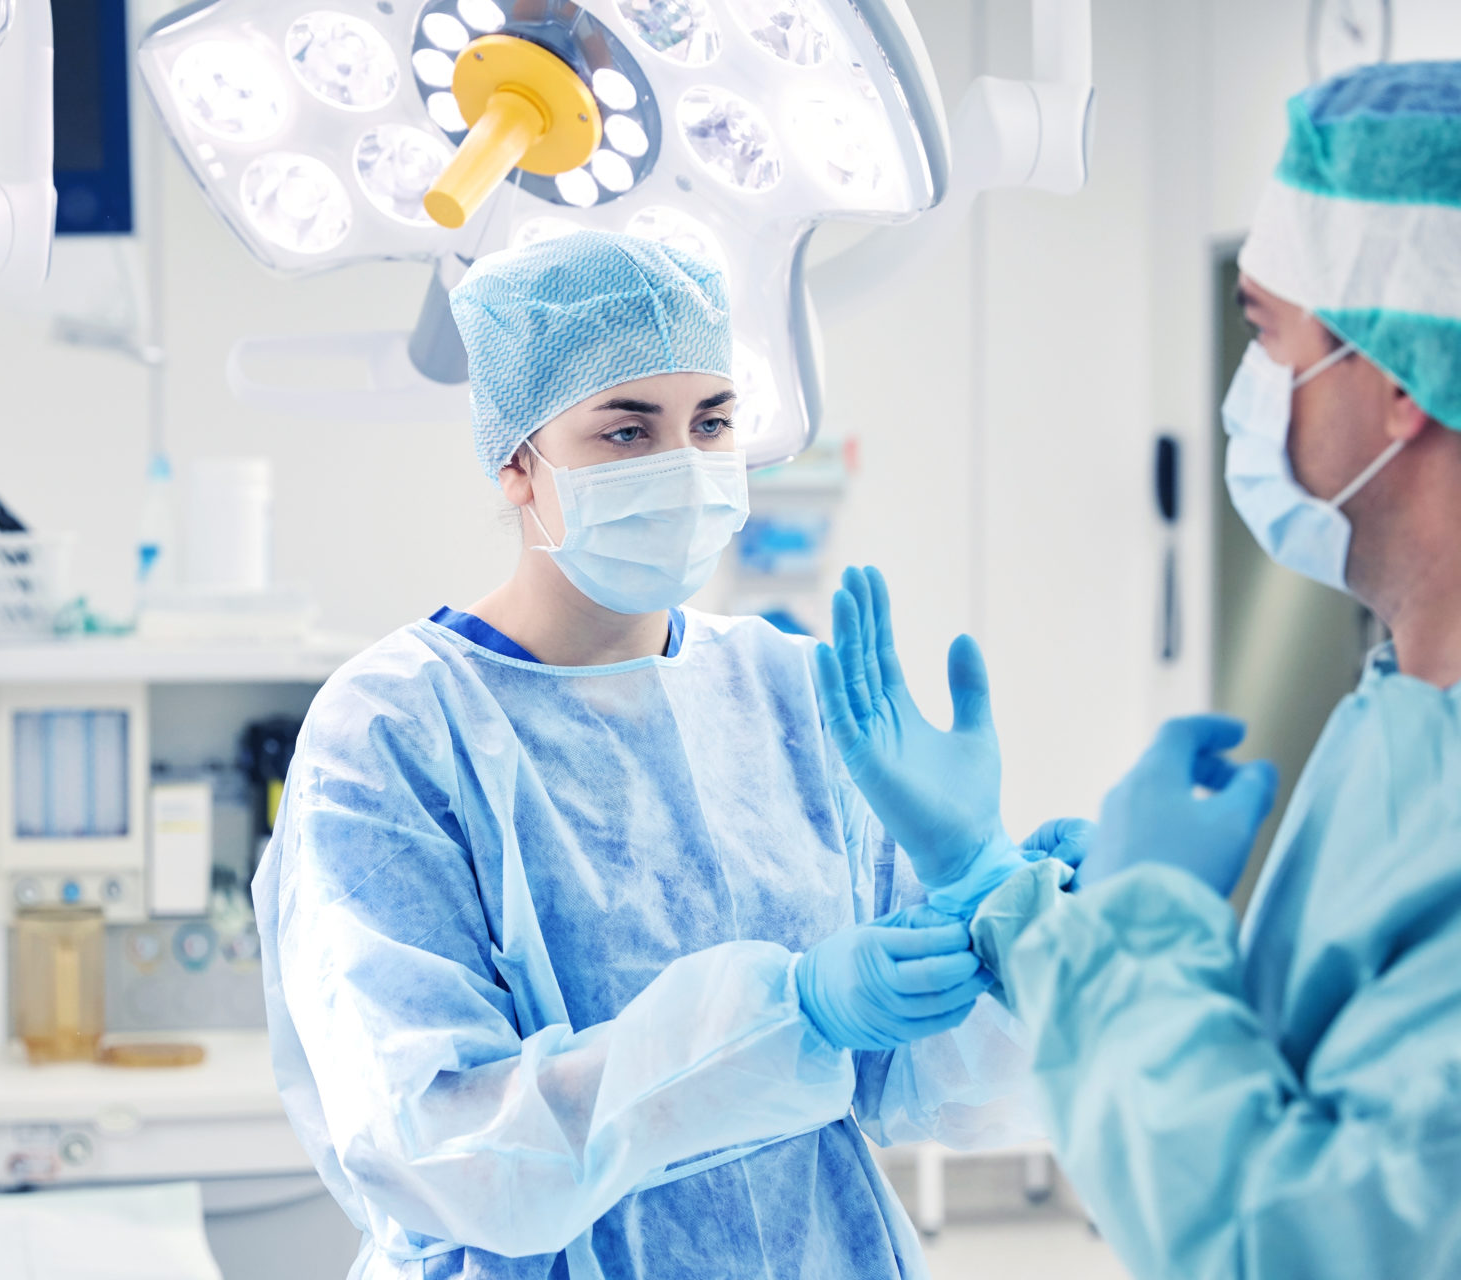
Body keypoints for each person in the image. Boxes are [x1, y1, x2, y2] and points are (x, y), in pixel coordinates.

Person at [254, 230, 1080, 1279]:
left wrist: (998, 911)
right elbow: (437, 1146)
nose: (682, 466)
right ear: (516, 459)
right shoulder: (396, 730)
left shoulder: (787, 692)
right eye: (627, 430)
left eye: (713, 421)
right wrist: (792, 1011)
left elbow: (927, 1083)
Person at [816, 61, 1461, 1279]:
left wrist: (1142, 918)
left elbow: (1295, 1238)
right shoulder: (1409, 710)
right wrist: (998, 888)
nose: (1250, 392)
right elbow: (1273, 1075)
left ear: (1397, 382)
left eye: (1263, 333)